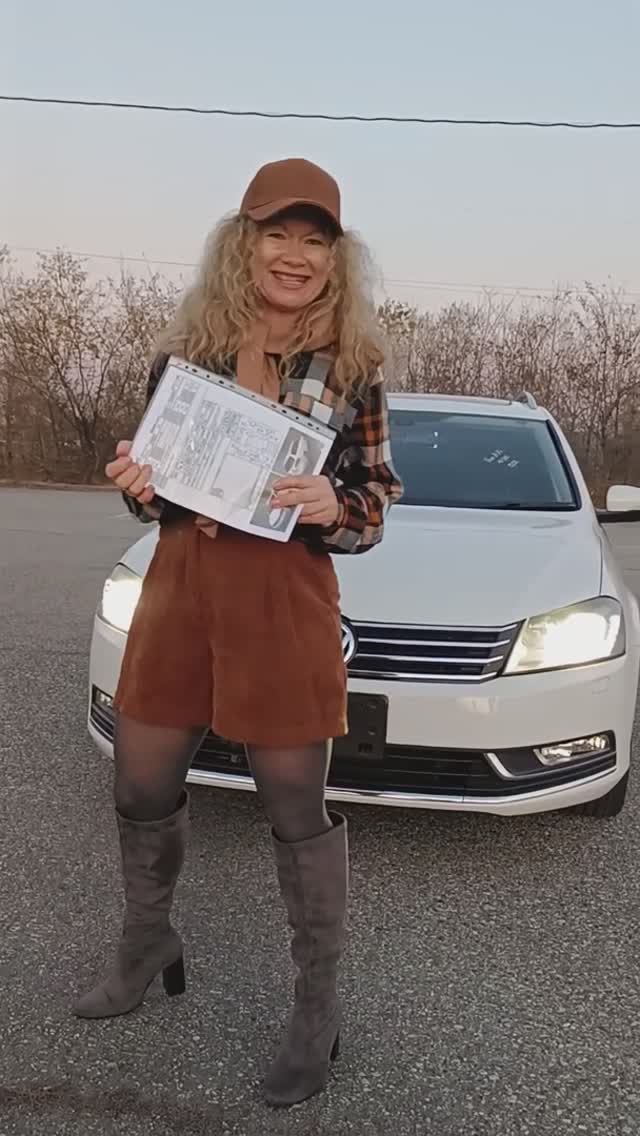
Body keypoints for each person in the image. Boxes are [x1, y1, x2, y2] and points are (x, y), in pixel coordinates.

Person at [74, 157, 403, 1107]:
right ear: (242, 244)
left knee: (294, 804)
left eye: (314, 240)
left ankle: (316, 1009)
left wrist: (334, 505)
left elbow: (376, 505)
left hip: (284, 595)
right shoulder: (187, 357)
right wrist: (138, 486)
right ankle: (148, 943)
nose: (294, 254)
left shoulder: (353, 368)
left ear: (336, 258)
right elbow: (158, 492)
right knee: (140, 782)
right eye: (277, 234)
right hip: (182, 584)